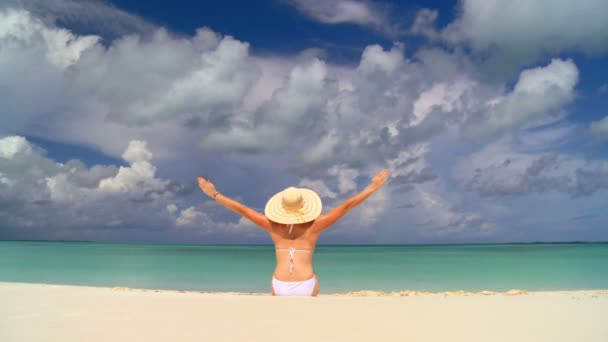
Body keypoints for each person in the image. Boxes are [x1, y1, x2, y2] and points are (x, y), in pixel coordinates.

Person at [197, 169, 389, 296]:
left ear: (281, 207)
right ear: (305, 206)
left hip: (279, 284)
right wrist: (372, 187)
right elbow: (346, 207)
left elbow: (243, 210)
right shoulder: (315, 226)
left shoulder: (272, 226)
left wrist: (215, 194)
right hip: (306, 284)